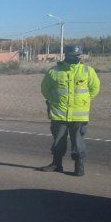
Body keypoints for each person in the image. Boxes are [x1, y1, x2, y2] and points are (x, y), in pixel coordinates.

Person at [39, 45, 100, 176]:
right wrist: (56, 100)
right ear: (66, 55)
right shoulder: (54, 71)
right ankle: (57, 164)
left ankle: (79, 166)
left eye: (79, 56)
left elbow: (94, 89)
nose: (77, 58)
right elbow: (45, 89)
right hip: (59, 113)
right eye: (74, 56)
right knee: (58, 141)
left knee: (78, 142)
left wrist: (84, 101)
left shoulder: (88, 71)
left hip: (79, 115)